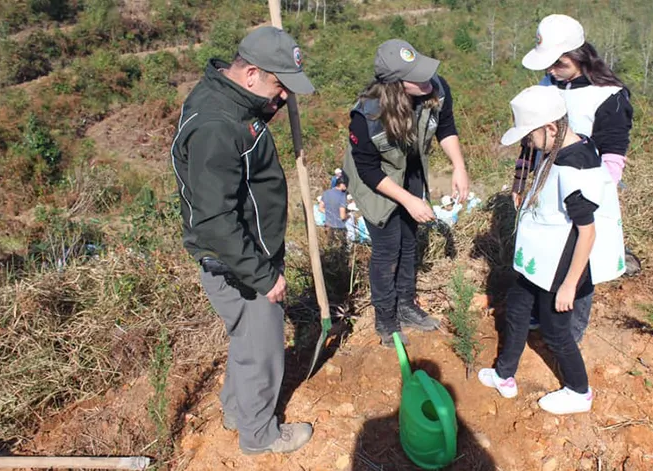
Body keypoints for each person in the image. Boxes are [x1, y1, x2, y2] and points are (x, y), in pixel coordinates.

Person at [170, 26, 314, 455]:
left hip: (243, 252)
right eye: (279, 85)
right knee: (262, 348)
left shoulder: (228, 98)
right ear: (251, 73)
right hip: (239, 260)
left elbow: (240, 152)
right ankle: (260, 435)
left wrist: (267, 105)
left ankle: (236, 409)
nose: (285, 97)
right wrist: (263, 276)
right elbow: (214, 219)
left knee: (246, 339)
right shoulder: (217, 125)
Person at [478, 85, 625, 414]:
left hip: (561, 265)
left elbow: (587, 232)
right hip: (538, 259)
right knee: (516, 309)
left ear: (551, 128)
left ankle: (579, 391)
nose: (528, 145)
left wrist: (570, 285)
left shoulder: (576, 169)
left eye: (529, 137)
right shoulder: (559, 146)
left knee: (556, 330)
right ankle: (505, 374)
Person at [515, 14, 638, 334]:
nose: (551, 71)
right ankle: (543, 314)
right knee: (546, 248)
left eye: (559, 64)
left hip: (584, 187)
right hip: (546, 182)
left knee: (582, 258)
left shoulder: (608, 95)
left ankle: (572, 331)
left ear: (580, 56)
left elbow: (613, 154)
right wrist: (521, 180)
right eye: (549, 65)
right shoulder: (548, 84)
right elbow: (530, 136)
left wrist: (592, 196)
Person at [343, 39, 470, 347]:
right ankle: (386, 320)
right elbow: (369, 170)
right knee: (388, 247)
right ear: (396, 85)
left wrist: (459, 166)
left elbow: (446, 126)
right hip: (375, 179)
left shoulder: (435, 88)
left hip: (409, 167)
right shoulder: (367, 116)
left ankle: (406, 306)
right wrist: (409, 200)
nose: (427, 81)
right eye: (417, 77)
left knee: (409, 240)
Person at [321, 172, 349, 245]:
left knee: (329, 247)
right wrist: (348, 215)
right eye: (346, 185)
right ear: (342, 184)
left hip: (328, 225)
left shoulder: (326, 193)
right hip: (339, 227)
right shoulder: (342, 196)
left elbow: (320, 208)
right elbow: (342, 216)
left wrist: (329, 213)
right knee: (341, 249)